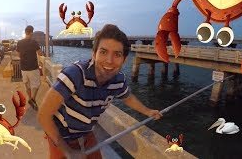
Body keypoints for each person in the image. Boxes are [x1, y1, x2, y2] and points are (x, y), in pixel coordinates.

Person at [37, 24, 163, 159]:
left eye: (117, 54)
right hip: (60, 134)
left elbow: (127, 97)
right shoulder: (75, 74)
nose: (109, 60)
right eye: (103, 52)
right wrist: (68, 152)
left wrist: (147, 111)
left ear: (124, 60)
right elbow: (43, 115)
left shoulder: (118, 80)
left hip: (85, 132)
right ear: (94, 54)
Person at [16, 25, 44, 110]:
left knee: (27, 84)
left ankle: (30, 98)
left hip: (23, 68)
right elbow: (40, 53)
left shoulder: (19, 42)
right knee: (36, 84)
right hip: (33, 67)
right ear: (31, 32)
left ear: (25, 32)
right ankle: (33, 99)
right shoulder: (34, 42)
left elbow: (18, 54)